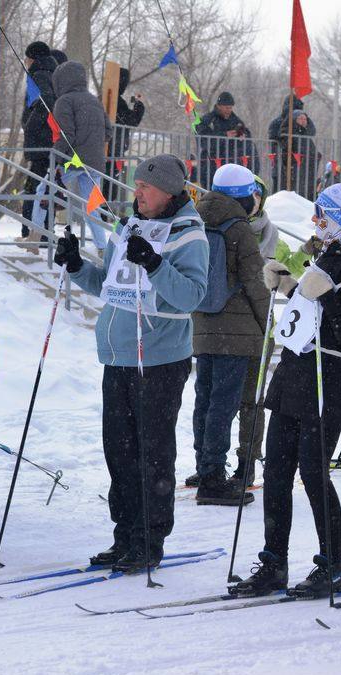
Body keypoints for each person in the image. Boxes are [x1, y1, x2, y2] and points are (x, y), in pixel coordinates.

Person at [231, 181, 341, 598]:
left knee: (312, 468)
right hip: (298, 368)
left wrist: (327, 297)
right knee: (277, 467)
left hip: (333, 375)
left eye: (323, 215)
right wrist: (288, 288)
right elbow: (308, 311)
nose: (315, 222)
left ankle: (332, 564)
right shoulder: (326, 256)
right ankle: (273, 561)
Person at [55, 154, 209, 573]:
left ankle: (149, 538)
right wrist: (75, 265)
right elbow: (109, 285)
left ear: (169, 191)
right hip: (118, 356)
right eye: (136, 185)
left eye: (145, 186)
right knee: (118, 452)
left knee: (152, 453)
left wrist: (156, 264)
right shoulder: (129, 226)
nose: (136, 192)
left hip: (158, 359)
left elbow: (192, 296)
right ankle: (124, 535)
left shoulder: (189, 235)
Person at [185, 164, 271, 506]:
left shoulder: (195, 219)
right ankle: (214, 478)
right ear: (242, 196)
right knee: (225, 403)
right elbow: (255, 282)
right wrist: (268, 327)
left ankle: (204, 466)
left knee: (204, 400)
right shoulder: (239, 228)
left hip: (202, 325)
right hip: (237, 333)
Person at [232, 175, 280, 487]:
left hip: (260, 324)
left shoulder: (271, 233)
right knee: (220, 401)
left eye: (258, 195)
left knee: (252, 401)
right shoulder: (224, 229)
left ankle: (247, 462)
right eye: (250, 194)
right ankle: (209, 462)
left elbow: (288, 268)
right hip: (228, 324)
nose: (255, 200)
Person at [52, 60, 113, 252]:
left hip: (72, 161)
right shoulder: (94, 100)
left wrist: (56, 156)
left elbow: (67, 135)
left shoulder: (64, 101)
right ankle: (102, 247)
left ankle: (36, 236)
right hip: (95, 163)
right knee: (91, 206)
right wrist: (92, 143)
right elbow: (108, 132)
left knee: (43, 190)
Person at [18, 41, 58, 246]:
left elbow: (46, 102)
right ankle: (38, 233)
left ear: (33, 58)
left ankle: (33, 234)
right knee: (42, 190)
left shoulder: (40, 73)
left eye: (27, 58)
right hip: (46, 143)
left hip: (41, 143)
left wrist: (30, 124)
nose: (25, 62)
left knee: (35, 190)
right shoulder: (51, 72)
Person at [105, 68, 145, 204]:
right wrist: (139, 107)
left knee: (106, 184)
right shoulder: (116, 101)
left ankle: (102, 212)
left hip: (107, 147)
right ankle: (104, 214)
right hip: (113, 148)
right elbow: (131, 121)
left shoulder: (106, 98)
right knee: (109, 186)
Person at [195, 92, 246, 188]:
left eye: (231, 108)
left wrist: (242, 137)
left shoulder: (235, 120)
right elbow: (203, 140)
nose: (229, 110)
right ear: (219, 106)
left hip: (231, 164)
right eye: (227, 108)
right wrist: (224, 136)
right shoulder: (208, 120)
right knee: (210, 193)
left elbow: (247, 135)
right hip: (210, 164)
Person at [275, 109, 317, 199]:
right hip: (294, 169)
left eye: (305, 119)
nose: (303, 121)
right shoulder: (287, 133)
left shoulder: (306, 136)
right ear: (294, 120)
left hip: (308, 170)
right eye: (300, 118)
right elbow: (285, 150)